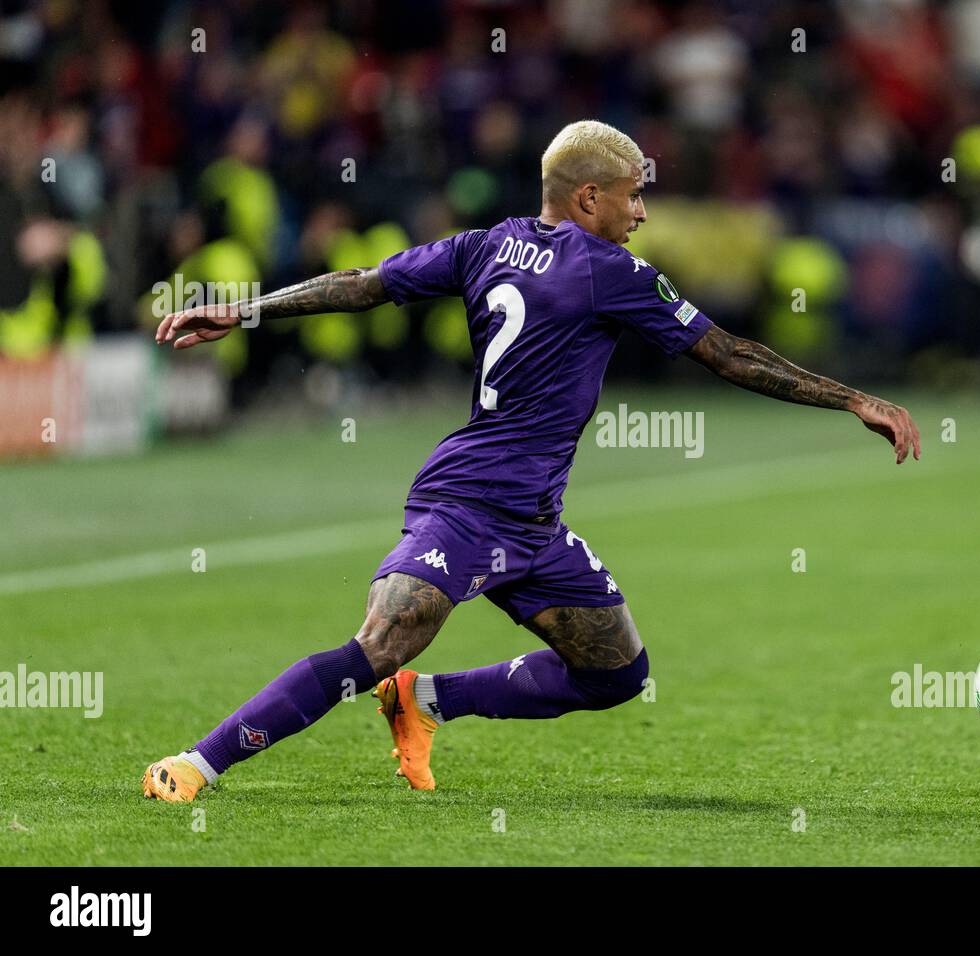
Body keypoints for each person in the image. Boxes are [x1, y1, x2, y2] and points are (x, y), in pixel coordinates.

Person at [142, 120, 920, 801]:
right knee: (381, 639)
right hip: (469, 502)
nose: (643, 213)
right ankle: (195, 764)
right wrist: (854, 399)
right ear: (588, 199)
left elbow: (363, 284)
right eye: (633, 195)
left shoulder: (483, 245)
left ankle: (424, 701)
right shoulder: (610, 272)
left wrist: (247, 310)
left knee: (616, 674)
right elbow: (731, 354)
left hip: (534, 522)